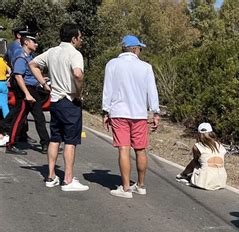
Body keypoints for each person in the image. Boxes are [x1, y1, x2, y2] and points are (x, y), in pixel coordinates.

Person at [29, 23, 89, 191]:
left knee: (55, 138)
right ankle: (68, 179)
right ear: (74, 38)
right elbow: (77, 74)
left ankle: (51, 175)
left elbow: (32, 64)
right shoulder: (75, 54)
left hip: (55, 100)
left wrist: (44, 84)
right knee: (70, 140)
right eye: (79, 37)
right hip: (69, 100)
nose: (80, 40)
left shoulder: (52, 52)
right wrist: (78, 92)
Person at [102, 35, 160, 198]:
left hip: (119, 112)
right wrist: (155, 112)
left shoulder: (112, 64)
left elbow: (108, 89)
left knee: (123, 148)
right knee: (141, 149)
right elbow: (152, 91)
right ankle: (140, 185)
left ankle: (126, 187)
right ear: (134, 49)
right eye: (139, 48)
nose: (140, 51)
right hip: (139, 113)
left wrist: (105, 110)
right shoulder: (146, 67)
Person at [4, 33, 50, 155]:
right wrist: (26, 94)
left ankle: (45, 143)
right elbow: (18, 76)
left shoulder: (30, 57)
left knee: (39, 117)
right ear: (26, 42)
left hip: (32, 89)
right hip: (25, 90)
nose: (36, 44)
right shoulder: (21, 57)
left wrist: (44, 84)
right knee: (19, 117)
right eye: (33, 41)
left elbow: (34, 73)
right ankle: (11, 144)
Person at [176, 122, 227, 190]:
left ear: (199, 134)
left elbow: (194, 163)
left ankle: (184, 176)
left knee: (197, 163)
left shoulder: (197, 146)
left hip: (204, 182)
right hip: (221, 181)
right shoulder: (220, 146)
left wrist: (183, 173)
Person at [0, 52, 10, 146]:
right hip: (3, 84)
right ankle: (8, 124)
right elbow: (10, 71)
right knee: (4, 106)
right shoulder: (3, 61)